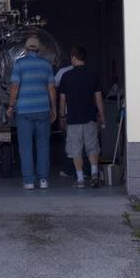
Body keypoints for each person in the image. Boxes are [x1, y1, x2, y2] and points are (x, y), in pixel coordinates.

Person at [6, 35, 57, 190]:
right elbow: (51, 88)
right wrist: (53, 108)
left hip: (24, 111)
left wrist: (10, 105)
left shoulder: (19, 64)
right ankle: (43, 180)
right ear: (39, 49)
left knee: (25, 147)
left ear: (25, 49)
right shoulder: (46, 65)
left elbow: (15, 87)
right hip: (42, 109)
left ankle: (29, 181)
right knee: (43, 146)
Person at [57, 45, 106, 188]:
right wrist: (102, 116)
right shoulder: (93, 75)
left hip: (73, 119)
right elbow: (98, 98)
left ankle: (80, 180)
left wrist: (62, 116)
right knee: (92, 147)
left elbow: (62, 99)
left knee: (75, 149)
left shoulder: (67, 76)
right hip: (90, 117)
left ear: (73, 57)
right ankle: (95, 174)